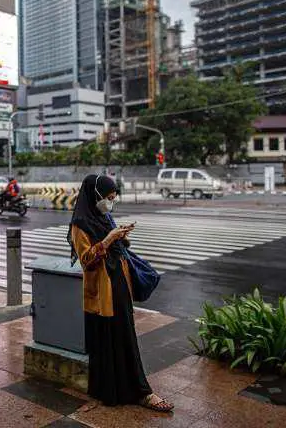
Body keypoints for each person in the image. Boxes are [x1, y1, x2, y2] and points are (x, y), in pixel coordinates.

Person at [66, 174, 173, 412]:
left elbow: (119, 248)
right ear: (95, 195)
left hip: (119, 285)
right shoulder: (80, 224)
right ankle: (118, 392)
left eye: (113, 198)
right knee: (106, 342)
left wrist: (120, 236)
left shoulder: (105, 217)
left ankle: (138, 391)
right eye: (108, 198)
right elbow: (86, 260)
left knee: (126, 339)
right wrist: (108, 240)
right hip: (101, 292)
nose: (110, 203)